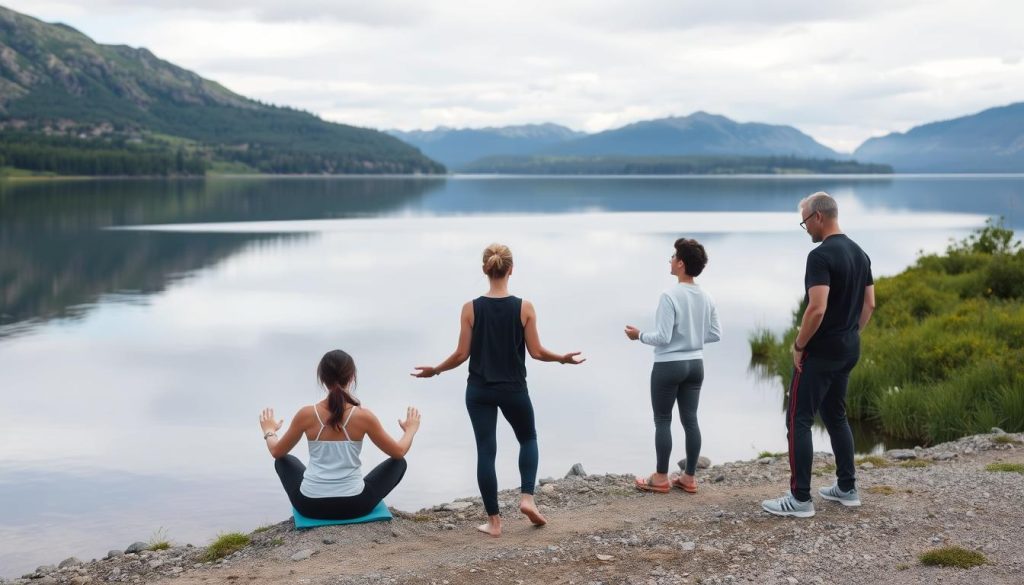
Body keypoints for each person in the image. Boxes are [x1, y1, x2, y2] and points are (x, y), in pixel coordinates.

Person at [412, 243, 585, 537]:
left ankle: (494, 522)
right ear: (511, 270)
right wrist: (563, 359)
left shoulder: (471, 308)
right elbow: (538, 352)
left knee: (486, 451)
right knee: (528, 438)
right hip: (513, 389)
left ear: (485, 270)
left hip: (479, 390)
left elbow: (460, 355)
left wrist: (436, 370)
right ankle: (528, 498)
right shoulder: (524, 307)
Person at [762, 192, 875, 518]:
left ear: (818, 217)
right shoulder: (859, 252)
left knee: (798, 418)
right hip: (848, 348)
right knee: (836, 415)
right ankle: (847, 488)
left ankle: (800, 499)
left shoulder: (821, 256)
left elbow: (817, 308)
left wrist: (799, 346)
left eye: (805, 221)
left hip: (821, 351)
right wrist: (850, 334)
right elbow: (869, 305)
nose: (805, 228)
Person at [260, 349, 421, 520]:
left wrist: (269, 430)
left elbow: (276, 452)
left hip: (310, 506)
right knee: (399, 463)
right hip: (355, 506)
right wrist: (411, 429)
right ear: (352, 377)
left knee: (284, 460)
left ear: (322, 379)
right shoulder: (364, 416)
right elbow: (398, 452)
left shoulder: (306, 414)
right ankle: (351, 488)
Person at [625, 237, 721, 494]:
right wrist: (692, 337)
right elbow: (715, 333)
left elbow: (663, 337)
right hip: (695, 364)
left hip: (669, 365)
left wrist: (639, 335)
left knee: (663, 420)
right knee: (691, 420)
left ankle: (660, 478)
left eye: (672, 256)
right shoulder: (706, 296)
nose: (669, 260)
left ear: (680, 263)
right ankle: (689, 477)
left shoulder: (669, 296)